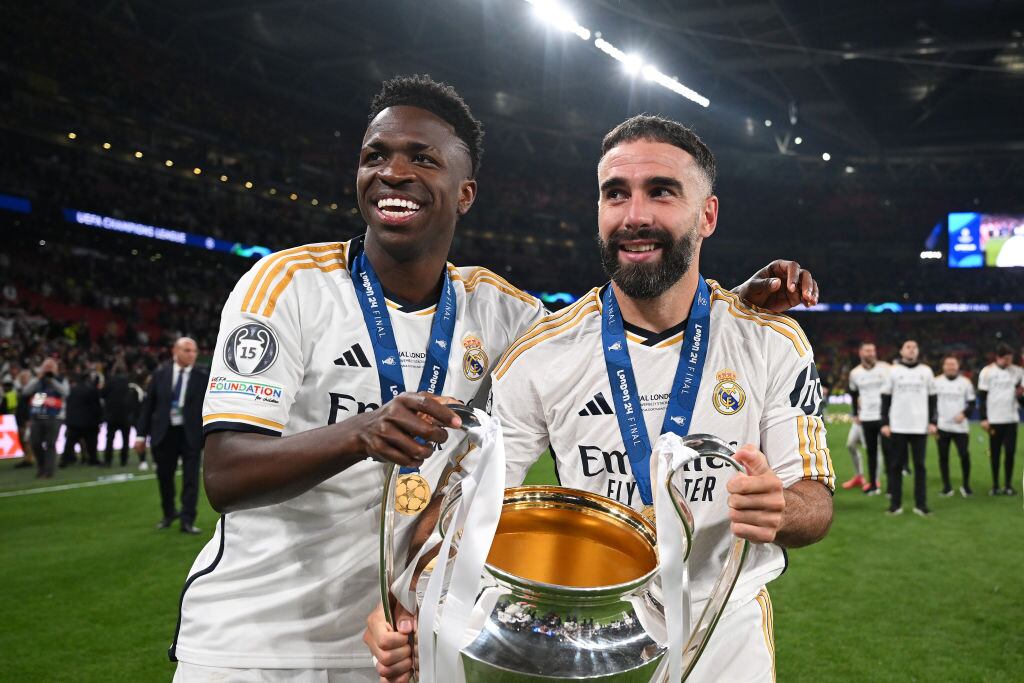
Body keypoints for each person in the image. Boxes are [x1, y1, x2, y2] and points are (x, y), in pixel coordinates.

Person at [168, 77, 819, 683]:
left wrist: (730, 310)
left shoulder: (505, 314)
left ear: (465, 191)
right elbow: (224, 474)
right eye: (375, 156)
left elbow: (650, 333)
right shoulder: (290, 286)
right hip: (261, 634)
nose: (394, 172)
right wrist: (361, 432)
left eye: (422, 158)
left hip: (405, 634)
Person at [369, 113, 832, 683]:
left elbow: (816, 499)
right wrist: (407, 605)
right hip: (589, 632)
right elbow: (463, 505)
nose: (634, 216)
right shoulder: (543, 353)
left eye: (661, 192)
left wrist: (780, 507)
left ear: (707, 214)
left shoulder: (772, 341)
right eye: (616, 194)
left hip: (723, 625)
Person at [135, 337, 209, 533]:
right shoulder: (160, 375)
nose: (192, 354)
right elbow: (148, 406)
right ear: (175, 351)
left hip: (191, 434)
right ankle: (169, 513)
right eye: (187, 350)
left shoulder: (204, 375)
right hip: (165, 432)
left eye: (194, 351)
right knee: (164, 477)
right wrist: (140, 435)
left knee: (191, 478)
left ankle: (187, 519)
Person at [880, 340, 937, 516]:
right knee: (895, 466)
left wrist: (933, 421)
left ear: (918, 351)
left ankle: (921, 505)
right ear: (901, 351)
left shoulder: (926, 371)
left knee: (920, 466)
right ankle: (895, 505)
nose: (912, 350)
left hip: (920, 427)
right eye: (908, 347)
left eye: (914, 347)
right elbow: (885, 398)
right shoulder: (893, 371)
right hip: (898, 426)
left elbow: (933, 399)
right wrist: (885, 422)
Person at [977, 343, 1022, 496]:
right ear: (998, 357)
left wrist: (1020, 395)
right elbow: (981, 398)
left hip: (1011, 419)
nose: (1008, 362)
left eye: (1010, 358)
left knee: (1010, 452)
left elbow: (1021, 397)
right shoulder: (987, 372)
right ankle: (995, 485)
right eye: (1006, 359)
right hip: (994, 419)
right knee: (995, 453)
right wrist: (983, 418)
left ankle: (1008, 485)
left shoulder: (1018, 372)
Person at [847, 342, 891, 496]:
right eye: (867, 351)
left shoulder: (886, 369)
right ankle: (873, 484)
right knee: (871, 452)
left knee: (887, 451)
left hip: (884, 417)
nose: (871, 353)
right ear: (861, 353)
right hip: (866, 417)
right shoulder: (855, 373)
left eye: (873, 350)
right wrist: (856, 414)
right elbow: (853, 394)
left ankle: (891, 486)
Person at [934, 355, 975, 497]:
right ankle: (947, 486)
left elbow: (972, 403)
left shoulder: (965, 382)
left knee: (964, 455)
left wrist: (964, 414)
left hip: (961, 427)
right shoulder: (936, 382)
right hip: (942, 426)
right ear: (943, 366)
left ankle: (966, 485)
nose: (951, 367)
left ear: (958, 366)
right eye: (948, 364)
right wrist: (933, 422)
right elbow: (931, 403)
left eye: (953, 364)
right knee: (943, 457)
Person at [21, 358, 69, 479]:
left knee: (50, 443)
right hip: (38, 416)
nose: (48, 370)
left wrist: (52, 380)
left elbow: (66, 392)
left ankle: (49, 471)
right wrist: (39, 378)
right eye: (46, 367)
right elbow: (26, 391)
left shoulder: (61, 379)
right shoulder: (38, 381)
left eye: (50, 367)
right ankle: (41, 467)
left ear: (55, 369)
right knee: (35, 442)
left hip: (54, 416)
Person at [102, 360, 143, 468]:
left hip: (112, 415)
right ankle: (123, 460)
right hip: (126, 415)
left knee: (109, 439)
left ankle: (108, 461)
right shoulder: (129, 382)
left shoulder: (110, 381)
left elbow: (102, 395)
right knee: (125, 439)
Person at [62, 372, 103, 467]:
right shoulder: (92, 390)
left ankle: (64, 461)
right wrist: (99, 420)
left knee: (69, 443)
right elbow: (96, 407)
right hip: (88, 422)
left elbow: (69, 405)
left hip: (74, 421)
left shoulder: (73, 389)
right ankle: (93, 459)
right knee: (91, 443)